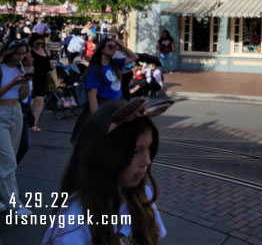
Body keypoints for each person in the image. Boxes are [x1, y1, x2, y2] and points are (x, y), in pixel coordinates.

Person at [42, 99, 171, 244]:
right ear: (104, 154)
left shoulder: (142, 197)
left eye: (149, 148)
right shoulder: (74, 222)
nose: (146, 161)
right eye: (135, 151)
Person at [71, 38, 138, 143]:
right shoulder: (96, 69)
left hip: (115, 106)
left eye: (115, 47)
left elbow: (134, 57)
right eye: (110, 47)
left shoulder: (114, 64)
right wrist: (96, 118)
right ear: (102, 49)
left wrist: (120, 44)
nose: (114, 49)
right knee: (90, 143)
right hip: (102, 106)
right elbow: (91, 95)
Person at [0, 39, 32, 216]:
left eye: (23, 53)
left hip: (16, 112)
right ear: (9, 52)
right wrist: (12, 83)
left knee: (7, 160)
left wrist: (25, 79)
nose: (21, 56)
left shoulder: (20, 68)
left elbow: (23, 96)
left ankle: (3, 198)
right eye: (18, 53)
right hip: (1, 113)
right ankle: (15, 205)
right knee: (8, 161)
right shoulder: (2, 68)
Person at [28, 34, 52, 132]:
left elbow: (50, 65)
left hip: (43, 78)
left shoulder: (46, 51)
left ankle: (33, 124)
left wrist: (52, 67)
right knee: (31, 102)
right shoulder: (30, 53)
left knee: (39, 100)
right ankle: (26, 121)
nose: (40, 45)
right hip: (32, 78)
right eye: (38, 43)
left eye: (42, 43)